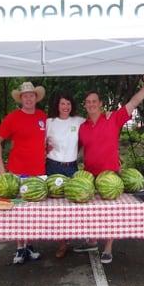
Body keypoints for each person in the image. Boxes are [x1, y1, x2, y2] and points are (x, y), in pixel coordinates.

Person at [74, 74, 144, 264]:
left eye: (94, 101)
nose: (91, 104)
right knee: (91, 212)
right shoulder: (82, 127)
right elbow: (75, 148)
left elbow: (133, 103)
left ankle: (108, 247)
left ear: (100, 103)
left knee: (111, 212)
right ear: (85, 105)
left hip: (112, 175)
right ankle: (92, 240)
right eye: (88, 102)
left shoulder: (113, 118)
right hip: (90, 177)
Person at [0, 81, 47, 265]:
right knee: (18, 211)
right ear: (21, 99)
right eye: (25, 96)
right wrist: (1, 167)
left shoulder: (43, 117)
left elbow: (46, 139)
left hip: (39, 174)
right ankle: (19, 248)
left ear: (36, 98)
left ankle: (30, 245)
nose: (29, 98)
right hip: (17, 173)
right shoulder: (12, 118)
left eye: (31, 95)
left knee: (33, 213)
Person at [45, 93, 86, 258]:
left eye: (68, 103)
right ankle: (62, 244)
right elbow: (40, 143)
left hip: (72, 168)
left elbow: (95, 124)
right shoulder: (49, 122)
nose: (66, 107)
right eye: (63, 104)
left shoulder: (78, 121)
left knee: (74, 205)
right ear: (57, 105)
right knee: (57, 208)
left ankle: (75, 236)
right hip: (53, 167)